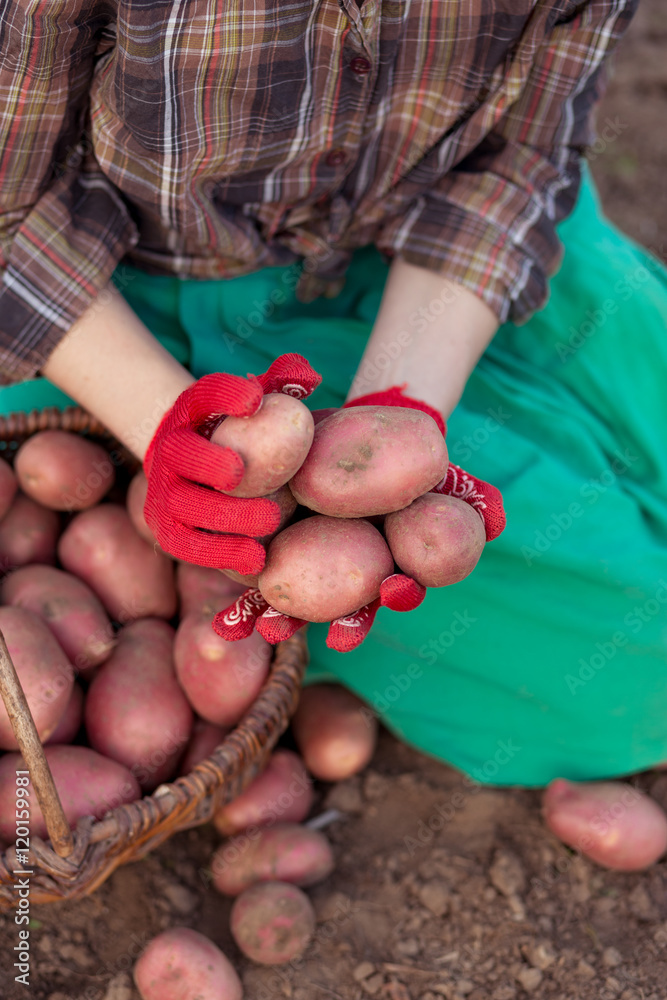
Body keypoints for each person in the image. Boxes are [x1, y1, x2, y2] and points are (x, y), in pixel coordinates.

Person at [1, 0, 666, 869]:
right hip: (98, 305)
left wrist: (407, 402)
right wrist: (169, 427)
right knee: (643, 665)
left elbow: (516, 162)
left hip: (426, 280)